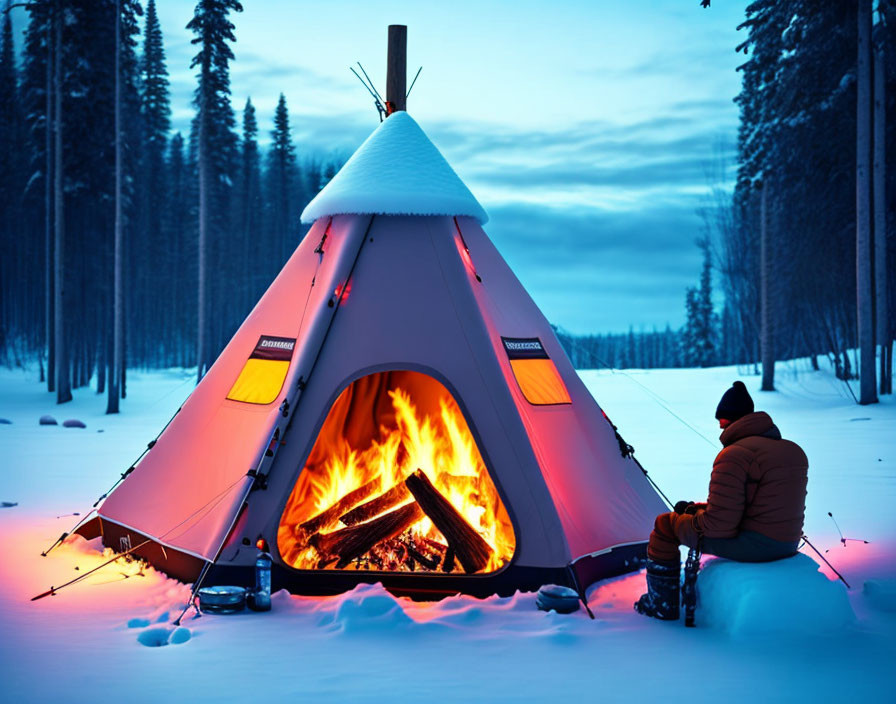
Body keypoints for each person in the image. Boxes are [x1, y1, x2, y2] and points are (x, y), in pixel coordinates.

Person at [635, 381, 809, 620]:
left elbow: (721, 525)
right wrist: (695, 510)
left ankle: (661, 605)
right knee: (684, 518)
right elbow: (752, 506)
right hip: (786, 542)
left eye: (722, 421)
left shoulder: (735, 455)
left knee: (665, 525)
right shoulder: (792, 450)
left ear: (729, 420)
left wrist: (689, 520)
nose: (719, 427)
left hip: (756, 546)